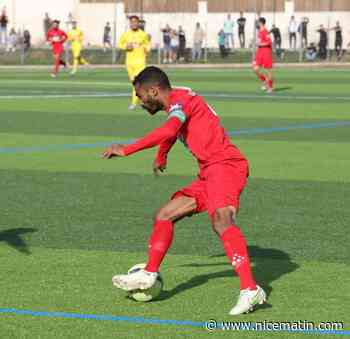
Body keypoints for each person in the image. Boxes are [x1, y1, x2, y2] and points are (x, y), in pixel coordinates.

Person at [103, 66, 267, 316]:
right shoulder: (177, 101)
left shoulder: (180, 102)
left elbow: (169, 129)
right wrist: (162, 154)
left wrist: (127, 149)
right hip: (208, 172)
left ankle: (250, 289)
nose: (139, 101)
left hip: (225, 166)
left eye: (140, 96)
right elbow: (174, 129)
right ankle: (148, 273)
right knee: (165, 215)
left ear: (153, 90)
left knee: (222, 221)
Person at [118, 15, 151, 110]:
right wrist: (125, 46)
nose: (134, 24)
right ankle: (144, 100)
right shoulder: (126, 34)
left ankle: (134, 103)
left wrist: (146, 48)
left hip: (140, 62)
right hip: (129, 63)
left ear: (138, 23)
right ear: (130, 23)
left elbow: (148, 45)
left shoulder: (143, 34)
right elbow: (120, 44)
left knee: (137, 83)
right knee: (135, 84)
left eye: (135, 22)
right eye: (132, 22)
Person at [253, 17, 273, 93]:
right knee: (255, 69)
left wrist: (260, 43)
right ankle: (264, 81)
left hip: (266, 52)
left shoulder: (265, 31)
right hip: (260, 52)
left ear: (261, 23)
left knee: (268, 71)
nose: (257, 23)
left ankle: (270, 87)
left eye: (258, 22)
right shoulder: (259, 31)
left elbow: (269, 42)